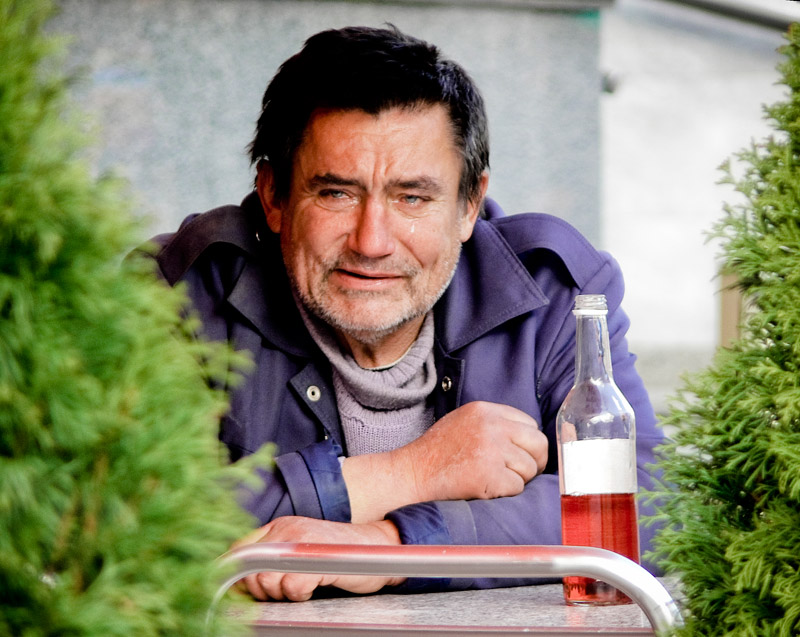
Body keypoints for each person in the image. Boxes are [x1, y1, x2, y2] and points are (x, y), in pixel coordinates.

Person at [149, 25, 663, 602]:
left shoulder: (554, 293)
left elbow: (651, 502)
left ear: (469, 206)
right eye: (336, 193)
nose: (372, 242)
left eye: (412, 198)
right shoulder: (179, 295)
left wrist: (391, 544)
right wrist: (413, 472)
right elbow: (119, 515)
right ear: (274, 196)